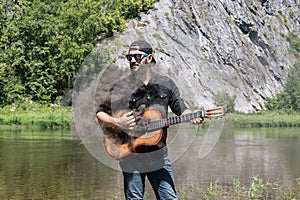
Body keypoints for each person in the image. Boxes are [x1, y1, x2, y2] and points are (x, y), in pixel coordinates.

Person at [96, 40, 203, 200]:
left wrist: (192, 115)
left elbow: (180, 108)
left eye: (138, 56)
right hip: (131, 155)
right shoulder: (121, 86)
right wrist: (119, 122)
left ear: (149, 57)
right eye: (129, 57)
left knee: (169, 198)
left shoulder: (166, 84)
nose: (133, 60)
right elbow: (100, 114)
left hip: (159, 156)